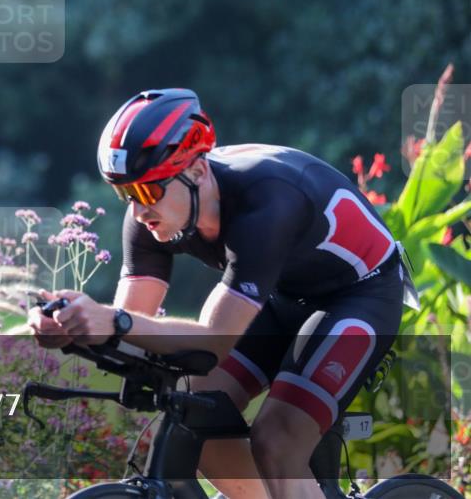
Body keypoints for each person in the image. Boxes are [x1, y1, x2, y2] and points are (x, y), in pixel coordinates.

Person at [29, 88, 412, 499]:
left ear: (196, 170)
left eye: (147, 191)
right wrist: (76, 328)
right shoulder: (150, 217)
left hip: (360, 298)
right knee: (198, 416)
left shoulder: (267, 203)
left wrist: (114, 322)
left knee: (278, 439)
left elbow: (213, 339)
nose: (138, 211)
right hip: (281, 296)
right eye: (126, 194)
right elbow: (132, 330)